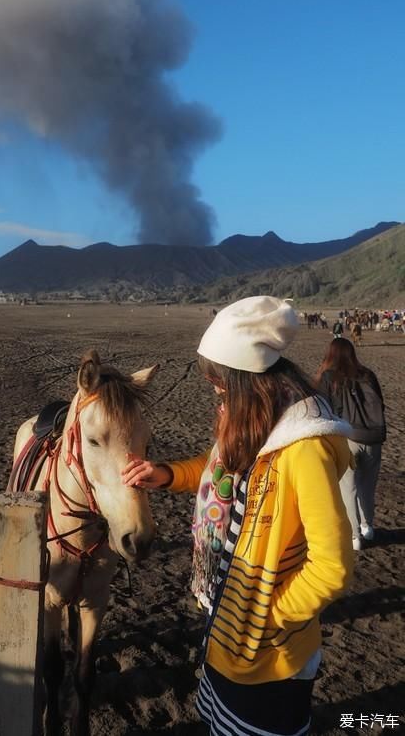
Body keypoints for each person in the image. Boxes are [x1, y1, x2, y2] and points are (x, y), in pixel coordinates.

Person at [122, 296, 354, 736]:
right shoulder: (256, 420)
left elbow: (333, 567)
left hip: (270, 651)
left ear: (248, 380)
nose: (217, 396)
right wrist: (166, 474)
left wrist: (272, 614)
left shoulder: (303, 447)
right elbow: (219, 472)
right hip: (228, 620)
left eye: (220, 385)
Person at [315, 337, 386, 551]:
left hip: (348, 437)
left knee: (348, 486)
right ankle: (368, 527)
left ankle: (354, 536)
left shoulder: (328, 377)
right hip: (374, 437)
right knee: (368, 485)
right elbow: (380, 404)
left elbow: (322, 408)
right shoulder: (368, 374)